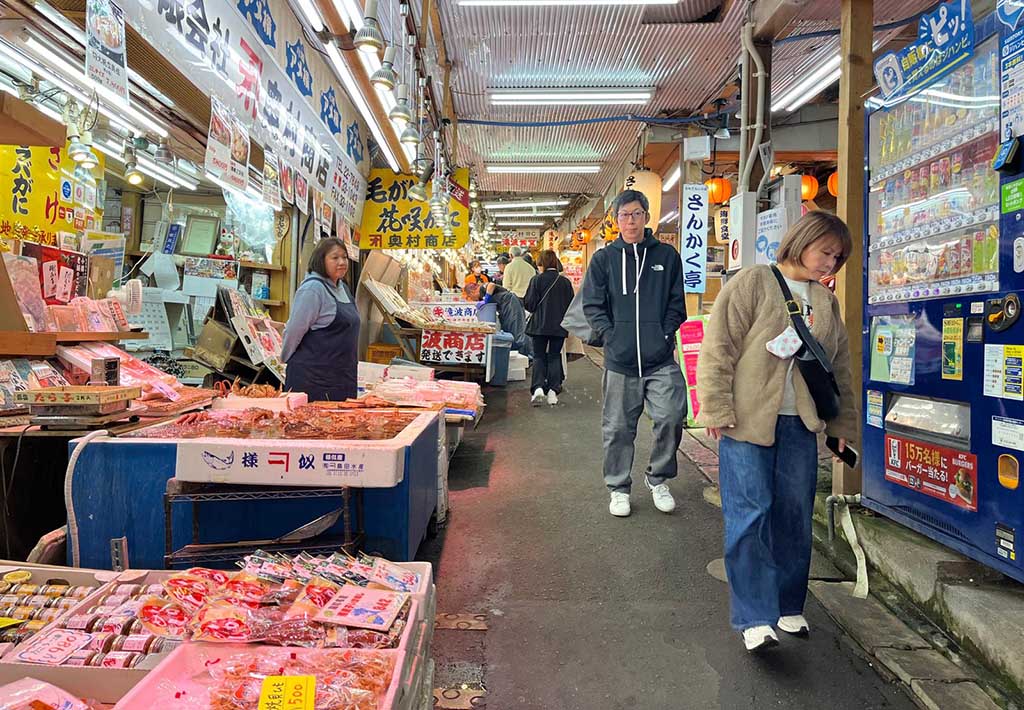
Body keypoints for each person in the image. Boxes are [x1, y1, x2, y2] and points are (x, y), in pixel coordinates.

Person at [695, 211, 858, 653]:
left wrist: (841, 426)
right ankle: (754, 617)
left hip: (801, 423)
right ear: (802, 240)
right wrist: (715, 406)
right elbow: (718, 347)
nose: (830, 263)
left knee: (793, 515)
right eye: (825, 251)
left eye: (837, 258)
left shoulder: (826, 302)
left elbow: (837, 367)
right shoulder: (753, 281)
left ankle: (788, 605)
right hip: (746, 419)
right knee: (750, 515)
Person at [582, 189, 687, 518]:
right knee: (617, 429)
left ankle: (658, 478)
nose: (630, 220)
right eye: (624, 215)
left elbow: (676, 304)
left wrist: (665, 332)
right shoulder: (603, 259)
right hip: (620, 361)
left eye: (637, 213)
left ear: (646, 217)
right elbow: (593, 305)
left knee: (671, 416)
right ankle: (618, 487)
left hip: (660, 360)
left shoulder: (667, 257)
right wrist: (612, 336)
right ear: (615, 220)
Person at [282, 238, 360, 402]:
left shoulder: (343, 288)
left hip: (342, 377)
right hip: (312, 380)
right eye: (335, 257)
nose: (341, 262)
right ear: (321, 260)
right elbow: (294, 330)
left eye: (344, 257)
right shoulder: (312, 289)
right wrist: (284, 359)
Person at [524, 249, 575, 405]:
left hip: (539, 326)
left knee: (539, 356)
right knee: (554, 356)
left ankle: (538, 387)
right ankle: (553, 391)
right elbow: (571, 306)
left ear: (542, 264)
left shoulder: (536, 280)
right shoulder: (565, 282)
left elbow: (530, 304)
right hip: (559, 327)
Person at [464, 281, 531, 357]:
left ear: (472, 292)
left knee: (516, 331)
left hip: (510, 303)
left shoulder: (482, 288)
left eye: (469, 296)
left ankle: (525, 356)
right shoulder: (482, 295)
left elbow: (491, 285)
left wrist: (486, 299)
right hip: (505, 306)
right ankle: (514, 355)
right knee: (508, 330)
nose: (472, 299)